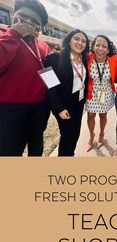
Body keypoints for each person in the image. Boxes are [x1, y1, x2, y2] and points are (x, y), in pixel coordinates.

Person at [0, 0, 51, 156]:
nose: (28, 22)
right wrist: (15, 34)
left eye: (35, 22)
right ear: (13, 15)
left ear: (41, 28)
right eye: (23, 16)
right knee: (10, 152)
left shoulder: (43, 46)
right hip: (10, 109)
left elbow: (49, 75)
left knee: (36, 147)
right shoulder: (3, 34)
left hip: (40, 107)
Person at [44, 29, 89, 156]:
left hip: (79, 101)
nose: (80, 43)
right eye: (77, 39)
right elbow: (49, 86)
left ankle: (71, 154)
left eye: (84, 41)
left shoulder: (84, 59)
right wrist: (59, 108)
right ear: (69, 41)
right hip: (63, 103)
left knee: (76, 133)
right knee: (67, 135)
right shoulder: (52, 57)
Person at [85, 35, 117, 151]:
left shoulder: (114, 60)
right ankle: (91, 136)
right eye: (98, 45)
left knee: (103, 115)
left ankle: (101, 134)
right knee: (90, 115)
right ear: (93, 47)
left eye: (104, 46)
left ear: (108, 49)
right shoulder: (87, 58)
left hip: (106, 92)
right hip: (92, 92)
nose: (100, 48)